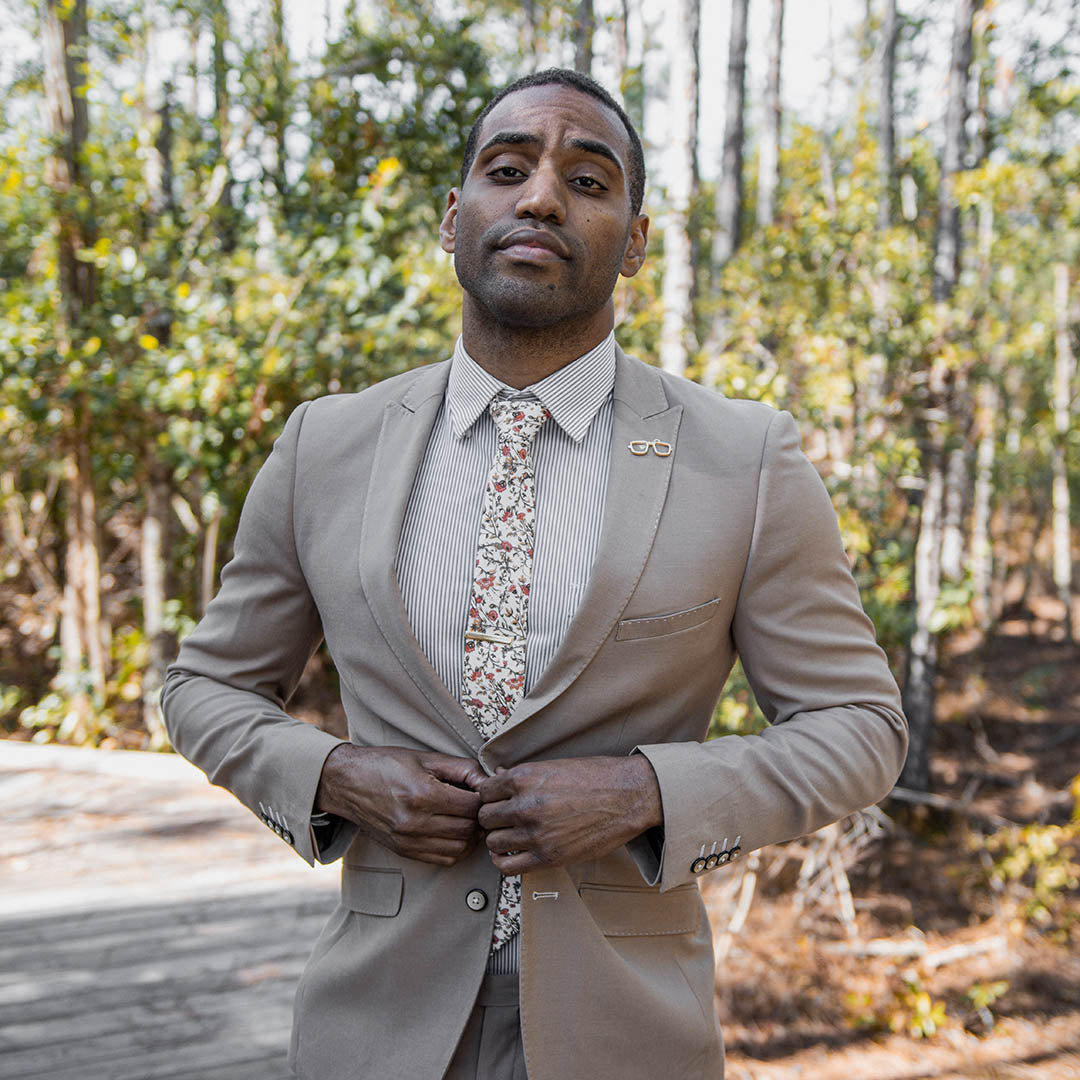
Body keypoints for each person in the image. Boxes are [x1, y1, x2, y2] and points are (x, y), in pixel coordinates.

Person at [163, 68, 907, 1080]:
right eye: (506, 168)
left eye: (589, 182)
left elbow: (860, 726)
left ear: (636, 243)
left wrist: (648, 791)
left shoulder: (746, 459)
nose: (541, 197)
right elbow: (204, 686)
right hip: (375, 1027)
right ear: (452, 216)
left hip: (627, 1031)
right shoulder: (323, 445)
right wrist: (337, 775)